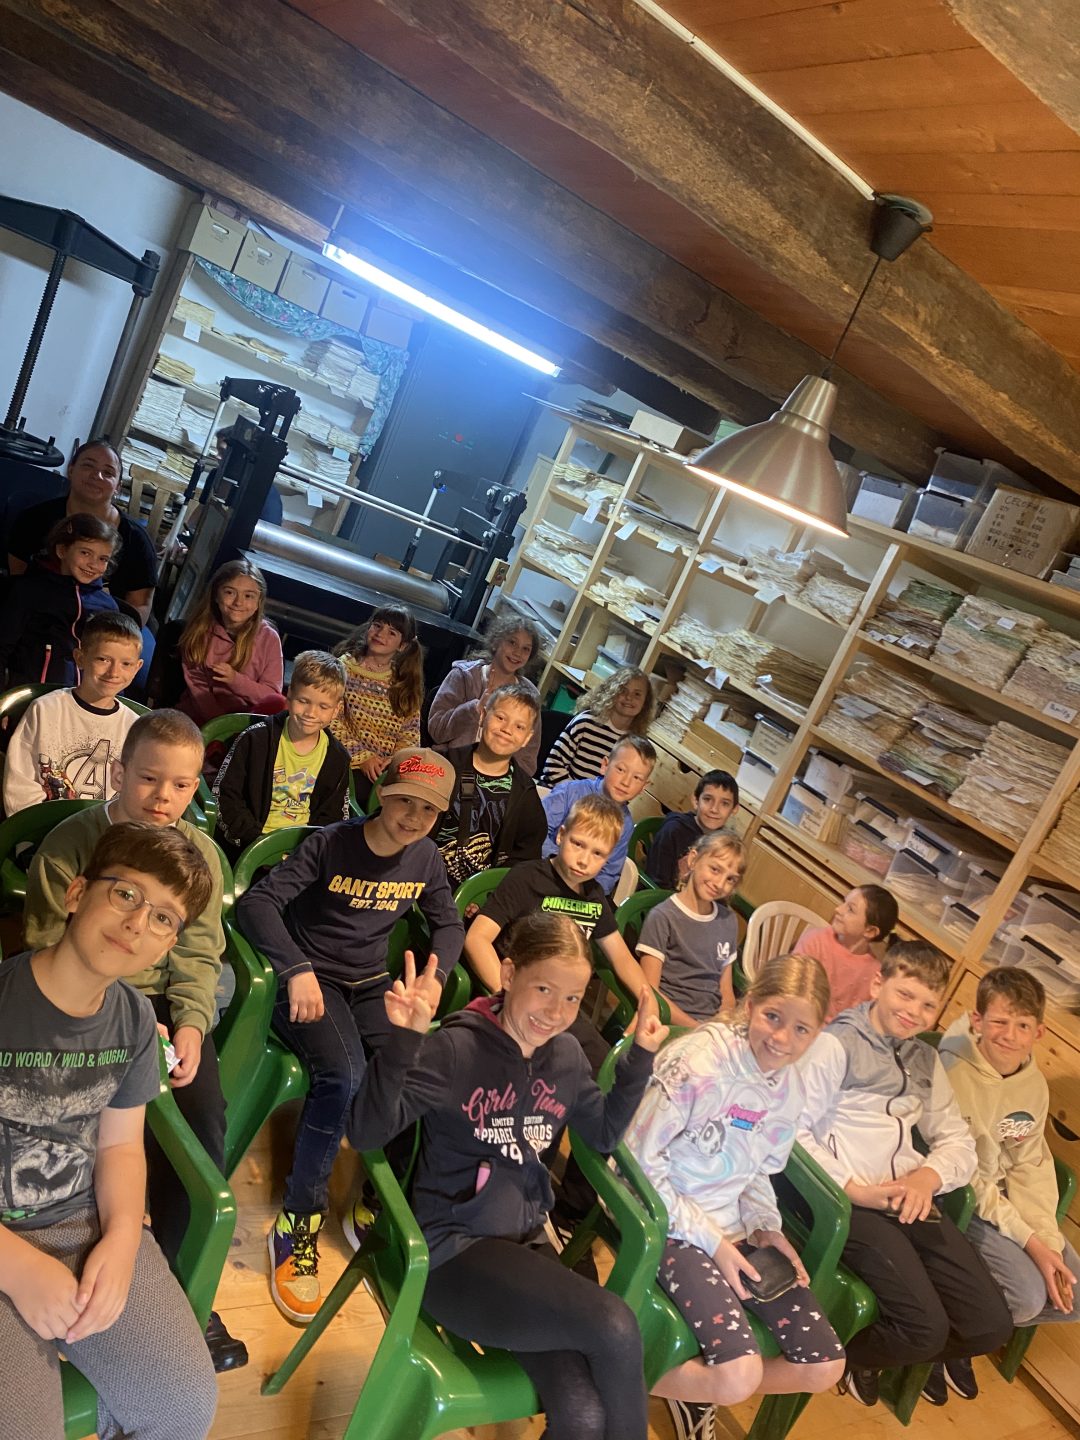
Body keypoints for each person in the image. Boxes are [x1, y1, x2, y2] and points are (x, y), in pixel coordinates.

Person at [348, 910, 667, 1440]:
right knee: (615, 1324)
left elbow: (603, 1134)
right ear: (509, 973)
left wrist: (640, 1060)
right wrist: (403, 1041)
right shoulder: (457, 1050)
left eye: (573, 998)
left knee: (584, 1415)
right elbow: (366, 1133)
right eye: (544, 989)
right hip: (452, 1253)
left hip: (526, 1248)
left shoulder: (566, 1057)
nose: (556, 1012)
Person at [22, 709, 245, 1372]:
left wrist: (191, 1024)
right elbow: (46, 940)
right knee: (79, 1121)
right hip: (83, 999)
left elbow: (199, 954)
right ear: (120, 771)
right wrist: (125, 1015)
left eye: (181, 785)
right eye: (149, 778)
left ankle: (179, 1280)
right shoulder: (72, 844)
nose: (162, 797)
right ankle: (75, 1256)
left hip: (163, 1010)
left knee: (201, 1121)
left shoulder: (200, 856)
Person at [0, 822, 218, 1440]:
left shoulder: (136, 1021)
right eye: (126, 894)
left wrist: (122, 1238)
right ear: (77, 894)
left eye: (163, 918)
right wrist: (15, 1268)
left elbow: (120, 1146)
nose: (137, 923)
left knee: (183, 1406)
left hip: (80, 1225)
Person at [234, 747, 465, 1322]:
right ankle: (298, 1219)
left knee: (419, 1074)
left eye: (428, 810)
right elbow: (258, 904)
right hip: (311, 979)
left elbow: (449, 922)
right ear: (381, 793)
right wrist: (295, 968)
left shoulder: (426, 857)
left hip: (371, 984)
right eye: (404, 801)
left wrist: (436, 977)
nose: (413, 817)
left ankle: (373, 1203)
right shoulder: (332, 843)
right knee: (344, 1075)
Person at [625, 953, 845, 1440]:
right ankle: (619, 1377)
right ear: (749, 1005)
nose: (782, 1038)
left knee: (825, 1365)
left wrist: (766, 1227)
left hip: (733, 1227)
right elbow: (638, 1160)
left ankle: (689, 1387)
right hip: (663, 1215)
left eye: (801, 1029)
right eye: (773, 1017)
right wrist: (714, 1243)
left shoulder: (789, 1087)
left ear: (817, 1033)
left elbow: (757, 1172)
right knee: (737, 1376)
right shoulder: (698, 1062)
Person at [797, 940, 1013, 1409]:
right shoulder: (836, 1045)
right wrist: (854, 1190)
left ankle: (876, 1353)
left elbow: (957, 1141)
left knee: (991, 1326)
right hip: (848, 1203)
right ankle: (842, 1359)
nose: (914, 1011)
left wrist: (927, 1178)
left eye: (929, 1005)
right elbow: (794, 1129)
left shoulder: (923, 1059)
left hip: (909, 1199)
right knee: (925, 1329)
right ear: (878, 984)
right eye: (905, 994)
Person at [938, 968, 1080, 1397]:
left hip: (1003, 1201)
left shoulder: (1032, 1085)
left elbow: (1029, 1164)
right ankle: (948, 1340)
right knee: (1025, 1298)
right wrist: (1031, 1244)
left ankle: (963, 1329)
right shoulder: (955, 1073)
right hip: (962, 1196)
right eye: (999, 1021)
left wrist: (1047, 1242)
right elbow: (968, 1176)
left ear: (1039, 1032)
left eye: (1022, 1026)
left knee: (1074, 1293)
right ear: (977, 1020)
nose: (1009, 1035)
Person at [464, 791, 648, 1015]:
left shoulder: (594, 896)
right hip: (513, 995)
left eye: (598, 853)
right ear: (561, 835)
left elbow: (622, 958)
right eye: (578, 844)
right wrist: (505, 994)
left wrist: (649, 1002)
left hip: (559, 1004)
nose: (584, 860)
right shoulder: (526, 878)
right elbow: (477, 938)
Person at [212, 649, 350, 863]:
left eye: (323, 706)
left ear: (336, 709)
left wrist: (308, 852)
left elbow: (333, 817)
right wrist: (257, 843)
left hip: (303, 856)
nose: (311, 713)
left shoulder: (337, 758)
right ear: (290, 694)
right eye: (303, 701)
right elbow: (226, 795)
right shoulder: (255, 739)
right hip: (248, 848)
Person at [7, 439, 158, 627]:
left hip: (103, 628)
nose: (97, 476)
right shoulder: (34, 519)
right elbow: (17, 578)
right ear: (71, 470)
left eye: (108, 473)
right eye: (88, 466)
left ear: (118, 487)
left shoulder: (136, 539)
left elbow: (140, 605)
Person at [3, 611, 142, 815]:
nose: (114, 672)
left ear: (137, 668)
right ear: (80, 658)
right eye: (103, 659)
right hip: (43, 826)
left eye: (126, 664)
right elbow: (20, 785)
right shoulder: (45, 710)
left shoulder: (136, 728)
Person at [434, 681, 546, 888]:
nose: (506, 729)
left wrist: (489, 894)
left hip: (478, 894)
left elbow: (524, 860)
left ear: (527, 738)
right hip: (422, 878)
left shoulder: (525, 795)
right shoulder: (444, 765)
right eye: (501, 717)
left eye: (519, 726)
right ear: (483, 716)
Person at [636, 832, 746, 1026]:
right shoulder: (663, 917)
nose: (720, 884)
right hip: (670, 1022)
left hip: (710, 1025)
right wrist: (696, 1029)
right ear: (693, 860)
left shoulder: (728, 920)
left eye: (730, 879)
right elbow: (651, 992)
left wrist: (721, 1027)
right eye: (715, 869)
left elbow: (726, 992)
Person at [0, 512, 120, 688]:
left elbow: (113, 660)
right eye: (85, 553)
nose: (93, 564)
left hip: (82, 698)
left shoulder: (107, 606)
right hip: (32, 694)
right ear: (62, 550)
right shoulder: (30, 592)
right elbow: (3, 647)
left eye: (103, 559)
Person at [427, 613, 545, 775]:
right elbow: (437, 731)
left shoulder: (530, 696)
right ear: (496, 642)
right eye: (512, 642)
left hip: (495, 781)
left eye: (526, 649)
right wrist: (474, 708)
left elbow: (527, 761)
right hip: (448, 769)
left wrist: (501, 778)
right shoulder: (463, 676)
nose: (518, 653)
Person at [331, 605, 424, 808]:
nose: (381, 634)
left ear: (403, 645)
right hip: (345, 761)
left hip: (383, 770)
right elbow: (331, 721)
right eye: (378, 625)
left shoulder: (404, 685)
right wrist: (362, 757)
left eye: (392, 632)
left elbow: (410, 736)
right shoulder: (342, 668)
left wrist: (394, 761)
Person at [541, 735, 656, 895]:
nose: (626, 782)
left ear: (644, 786)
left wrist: (585, 893)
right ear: (605, 765)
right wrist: (562, 866)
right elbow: (537, 831)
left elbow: (609, 873)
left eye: (637, 778)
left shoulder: (626, 824)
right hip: (545, 871)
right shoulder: (570, 792)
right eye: (621, 770)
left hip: (580, 891)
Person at [177, 558, 285, 726]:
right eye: (230, 592)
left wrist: (235, 680)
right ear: (216, 595)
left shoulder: (269, 638)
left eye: (248, 596)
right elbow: (198, 691)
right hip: (202, 717)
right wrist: (220, 726)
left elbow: (271, 695)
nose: (238, 602)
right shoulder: (199, 631)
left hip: (247, 722)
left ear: (258, 603)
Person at [794, 885, 899, 1023]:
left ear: (870, 931)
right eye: (844, 902)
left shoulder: (875, 973)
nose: (838, 909)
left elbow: (866, 1019)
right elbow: (792, 987)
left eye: (850, 909)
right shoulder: (815, 940)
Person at [540, 666, 655, 786]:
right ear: (612, 692)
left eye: (637, 694)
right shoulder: (586, 723)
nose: (629, 697)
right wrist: (576, 795)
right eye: (623, 691)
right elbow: (553, 765)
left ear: (645, 702)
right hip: (559, 791)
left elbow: (626, 785)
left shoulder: (636, 744)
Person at [645, 769, 740, 889]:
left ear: (734, 809)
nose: (714, 809)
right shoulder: (674, 830)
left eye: (724, 803)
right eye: (707, 799)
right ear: (696, 801)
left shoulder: (725, 844)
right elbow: (656, 882)